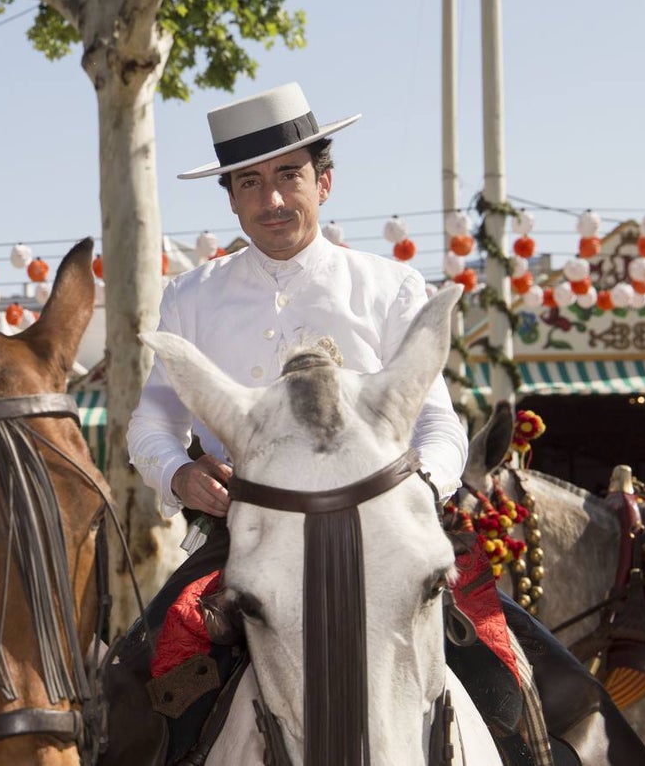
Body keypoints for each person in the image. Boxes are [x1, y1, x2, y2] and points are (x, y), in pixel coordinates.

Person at [110, 82, 468, 764]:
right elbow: (151, 418)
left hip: (386, 541)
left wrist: (420, 494)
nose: (272, 200)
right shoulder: (189, 295)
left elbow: (441, 427)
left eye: (289, 176)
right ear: (233, 198)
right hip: (242, 540)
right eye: (250, 183)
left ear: (323, 181)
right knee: (125, 688)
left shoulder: (389, 287)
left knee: (515, 664)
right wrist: (180, 473)